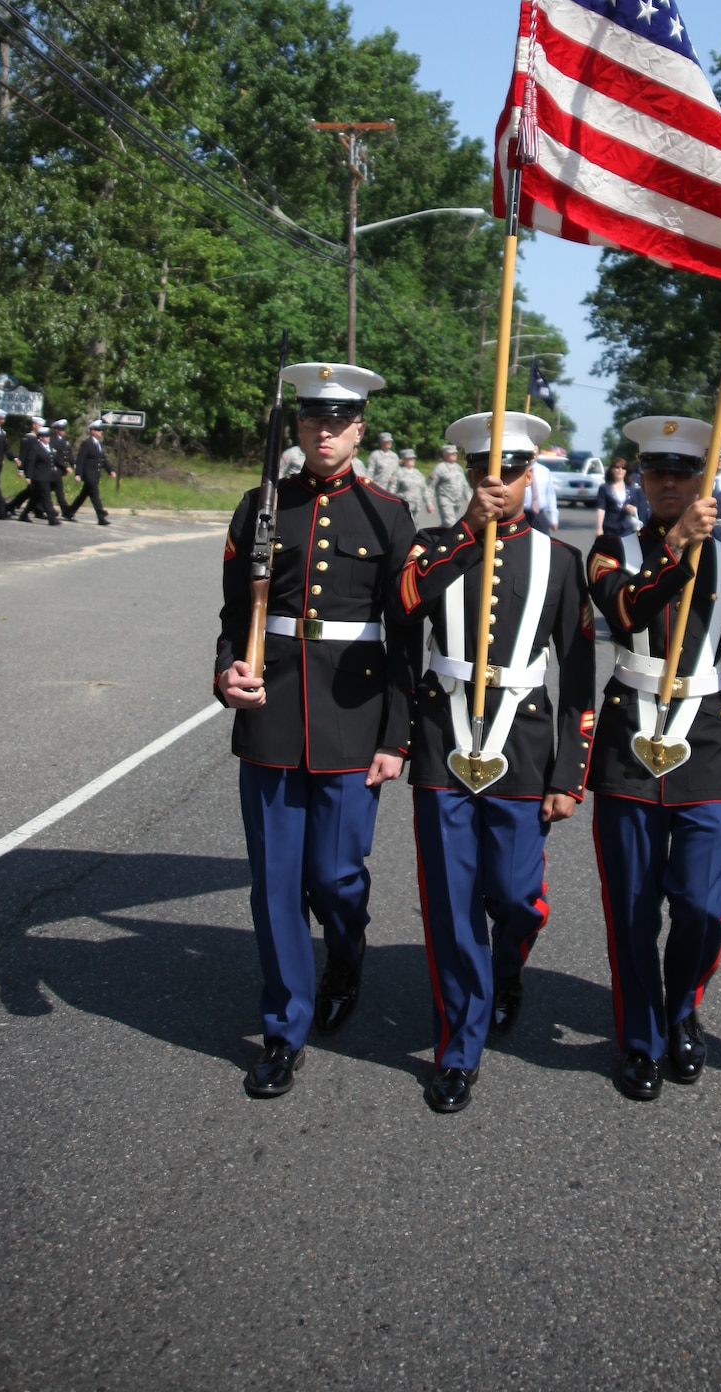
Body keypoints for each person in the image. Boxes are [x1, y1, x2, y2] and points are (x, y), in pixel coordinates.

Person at [214, 361, 417, 1101]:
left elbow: (404, 640)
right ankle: (283, 1026)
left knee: (334, 876)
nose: (324, 432)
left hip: (353, 719)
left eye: (339, 421)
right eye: (312, 420)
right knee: (273, 886)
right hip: (271, 718)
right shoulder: (260, 505)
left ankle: (346, 948)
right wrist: (226, 672)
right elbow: (236, 614)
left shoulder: (387, 514)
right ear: (296, 427)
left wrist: (396, 737)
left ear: (359, 428)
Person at [398, 410, 596, 1113]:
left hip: (523, 744)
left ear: (529, 471)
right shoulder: (434, 546)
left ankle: (506, 967)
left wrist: (570, 775)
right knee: (451, 907)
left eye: (511, 470)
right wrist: (460, 533)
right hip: (439, 740)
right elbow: (405, 602)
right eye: (487, 470)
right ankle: (459, 1046)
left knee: (513, 898)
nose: (499, 482)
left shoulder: (560, 560)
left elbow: (577, 677)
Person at [586, 415, 721, 1101]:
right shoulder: (610, 549)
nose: (669, 483)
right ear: (638, 478)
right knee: (631, 909)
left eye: (682, 473)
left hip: (712, 747)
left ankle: (683, 1005)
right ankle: (641, 1038)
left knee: (701, 905)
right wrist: (675, 552)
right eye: (656, 472)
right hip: (628, 745)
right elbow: (625, 613)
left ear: (704, 480)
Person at [66, 422, 114, 525]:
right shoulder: (87, 443)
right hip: (89, 474)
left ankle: (69, 512)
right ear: (92, 431)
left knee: (84, 495)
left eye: (101, 430)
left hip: (96, 475)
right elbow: (80, 459)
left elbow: (103, 459)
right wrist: (78, 474)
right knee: (95, 495)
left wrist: (110, 470)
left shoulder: (99, 444)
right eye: (98, 430)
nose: (100, 432)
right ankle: (101, 516)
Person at [17, 423, 61, 524]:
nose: (48, 438)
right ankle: (52, 518)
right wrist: (28, 476)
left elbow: (50, 459)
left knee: (35, 498)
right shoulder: (35, 447)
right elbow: (31, 462)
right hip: (39, 477)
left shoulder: (48, 447)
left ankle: (24, 514)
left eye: (48, 436)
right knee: (46, 497)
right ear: (40, 437)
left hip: (47, 476)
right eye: (46, 436)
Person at [595, 454, 645, 538]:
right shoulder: (604, 488)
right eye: (617, 467)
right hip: (610, 528)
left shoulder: (632, 489)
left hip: (627, 529)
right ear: (612, 470)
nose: (620, 470)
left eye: (623, 468)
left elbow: (636, 506)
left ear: (626, 471)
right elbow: (601, 509)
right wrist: (599, 528)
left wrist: (633, 509)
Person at [429, 442, 471, 528]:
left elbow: (464, 484)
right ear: (445, 454)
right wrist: (429, 503)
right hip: (445, 499)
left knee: (447, 524)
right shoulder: (440, 468)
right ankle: (449, 541)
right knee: (450, 523)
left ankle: (439, 539)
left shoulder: (458, 468)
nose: (454, 455)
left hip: (457, 501)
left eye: (455, 453)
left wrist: (469, 498)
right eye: (451, 453)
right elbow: (431, 486)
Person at [391, 447, 434, 526]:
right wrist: (391, 505)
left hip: (416, 506)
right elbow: (392, 491)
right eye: (410, 459)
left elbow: (424, 490)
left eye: (413, 458)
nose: (412, 460)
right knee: (404, 526)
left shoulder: (418, 473)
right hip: (404, 506)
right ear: (404, 460)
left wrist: (429, 504)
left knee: (414, 526)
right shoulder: (398, 473)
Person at [525, 454, 559, 535]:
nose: (533, 454)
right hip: (521, 514)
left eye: (535, 451)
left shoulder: (544, 471)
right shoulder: (518, 470)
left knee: (544, 542)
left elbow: (551, 495)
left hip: (539, 515)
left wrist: (553, 518)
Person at [49, 421, 74, 518]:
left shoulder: (64, 440)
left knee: (43, 491)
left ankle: (37, 507)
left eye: (64, 429)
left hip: (60, 470)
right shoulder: (52, 440)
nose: (64, 431)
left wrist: (73, 464)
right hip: (54, 469)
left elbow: (68, 454)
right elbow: (54, 457)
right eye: (61, 429)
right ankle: (66, 511)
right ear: (56, 430)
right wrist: (65, 467)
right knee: (59, 491)